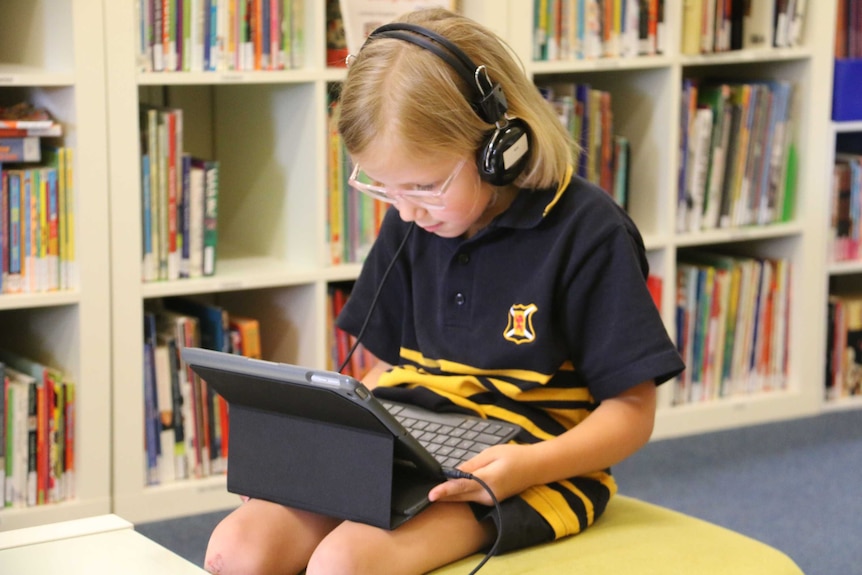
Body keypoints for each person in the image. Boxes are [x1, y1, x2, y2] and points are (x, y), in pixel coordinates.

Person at [204, 8, 685, 575]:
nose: (407, 210)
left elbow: (632, 412)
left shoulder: (588, 230)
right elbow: (381, 371)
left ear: (499, 147)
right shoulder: (414, 221)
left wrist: (526, 467)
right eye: (384, 187)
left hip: (529, 462)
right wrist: (321, 454)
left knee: (343, 565)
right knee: (235, 550)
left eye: (426, 187)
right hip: (409, 436)